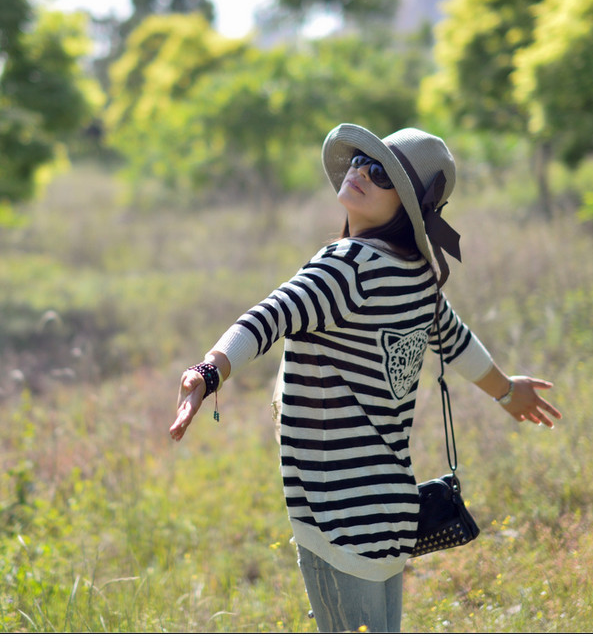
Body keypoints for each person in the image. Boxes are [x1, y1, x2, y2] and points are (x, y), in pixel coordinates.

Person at [168, 123, 562, 633]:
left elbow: (266, 319)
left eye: (381, 173)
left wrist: (207, 371)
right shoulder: (418, 275)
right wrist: (506, 392)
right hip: (392, 507)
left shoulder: (347, 267)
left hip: (335, 507)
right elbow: (457, 343)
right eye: (360, 161)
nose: (359, 171)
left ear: (408, 205)